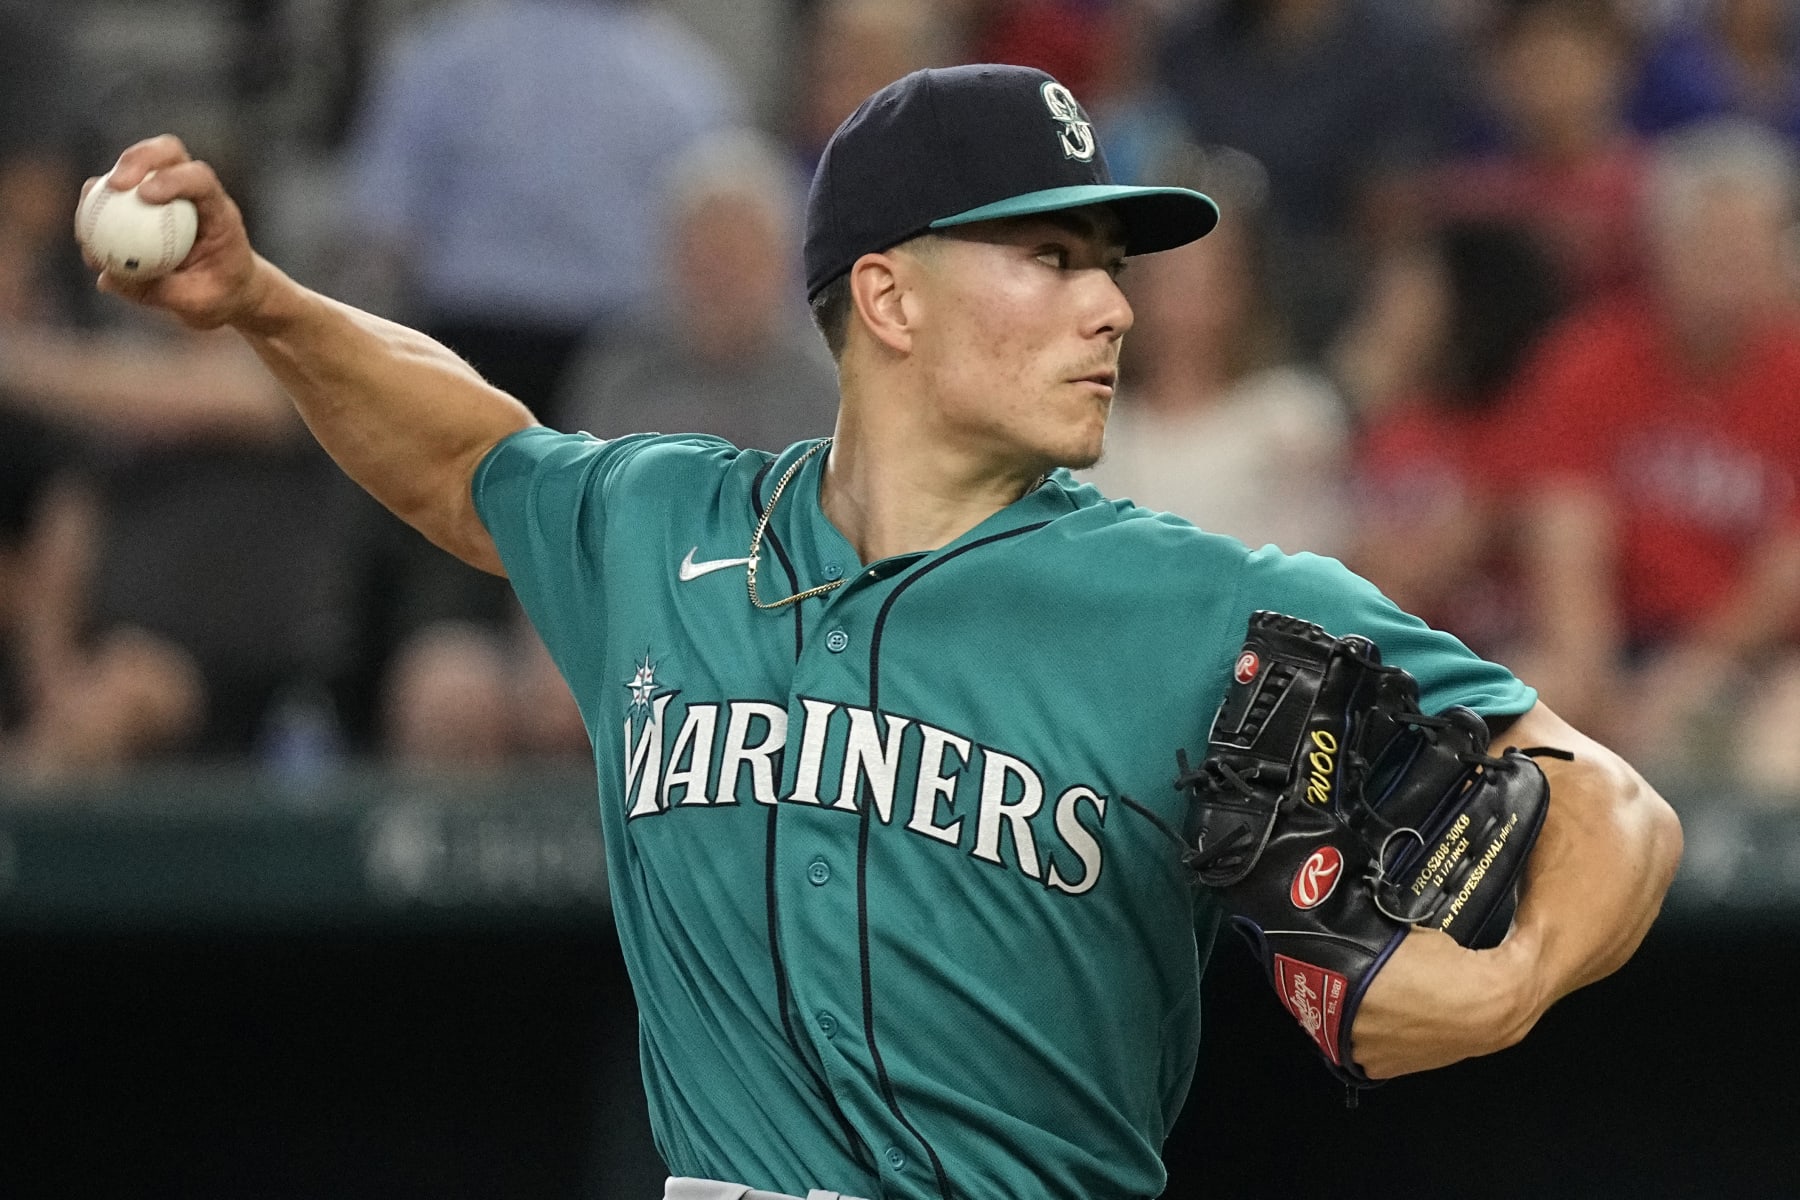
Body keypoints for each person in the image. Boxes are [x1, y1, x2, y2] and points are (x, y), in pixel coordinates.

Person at [82, 63, 1681, 1200]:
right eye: (1052, 259)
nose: (1113, 306)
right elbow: (462, 457)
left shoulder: (1212, 604)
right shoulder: (666, 527)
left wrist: (1514, 975)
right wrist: (267, 305)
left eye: (1110, 269)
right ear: (892, 301)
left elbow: (1611, 798)